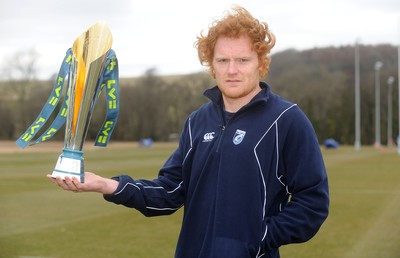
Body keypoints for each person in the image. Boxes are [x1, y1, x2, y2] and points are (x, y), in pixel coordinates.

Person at [48, 5, 329, 258]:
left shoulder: (286, 119)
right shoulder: (198, 122)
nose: (232, 70)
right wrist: (106, 185)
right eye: (222, 61)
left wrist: (256, 240)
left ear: (261, 62)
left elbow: (312, 203)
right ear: (212, 65)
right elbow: (170, 191)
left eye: (242, 60)